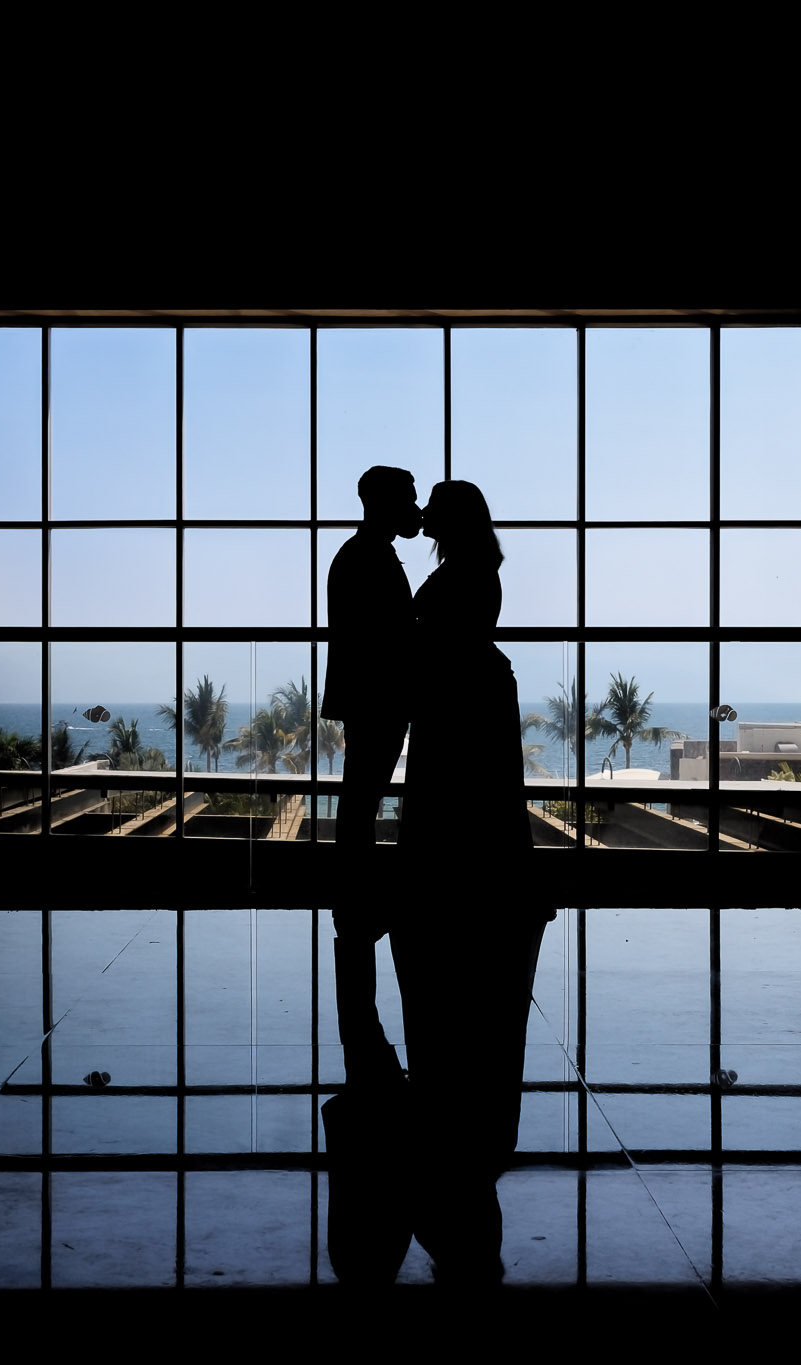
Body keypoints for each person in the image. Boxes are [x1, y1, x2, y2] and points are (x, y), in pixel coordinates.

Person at [394, 479, 552, 1286]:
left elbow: (424, 644)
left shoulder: (458, 579)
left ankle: (449, 1102)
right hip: (473, 709)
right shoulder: (481, 574)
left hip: (453, 718)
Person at [319, 466, 421, 1080]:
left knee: (361, 794)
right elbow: (391, 636)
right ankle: (354, 892)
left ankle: (353, 895)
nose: (413, 507)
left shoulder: (359, 554)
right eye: (407, 499)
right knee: (363, 795)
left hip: (368, 695)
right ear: (385, 503)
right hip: (378, 696)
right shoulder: (371, 558)